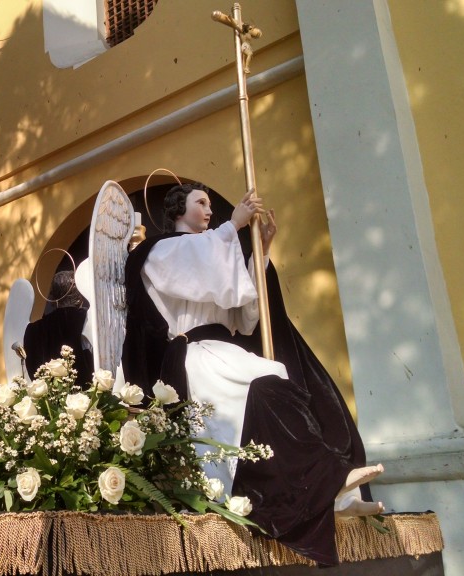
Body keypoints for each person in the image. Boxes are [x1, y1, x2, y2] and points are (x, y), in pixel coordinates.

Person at [121, 183, 382, 566]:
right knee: (262, 387)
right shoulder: (161, 251)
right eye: (201, 203)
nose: (209, 210)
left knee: (275, 377)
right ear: (178, 209)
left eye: (211, 205)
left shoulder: (210, 251)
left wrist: (261, 250)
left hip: (225, 349)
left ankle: (334, 493)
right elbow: (199, 264)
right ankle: (319, 486)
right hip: (195, 356)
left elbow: (245, 315)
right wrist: (233, 228)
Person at [23, 270, 94, 381]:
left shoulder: (34, 329)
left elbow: (32, 366)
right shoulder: (89, 319)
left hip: (49, 395)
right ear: (79, 295)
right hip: (86, 393)